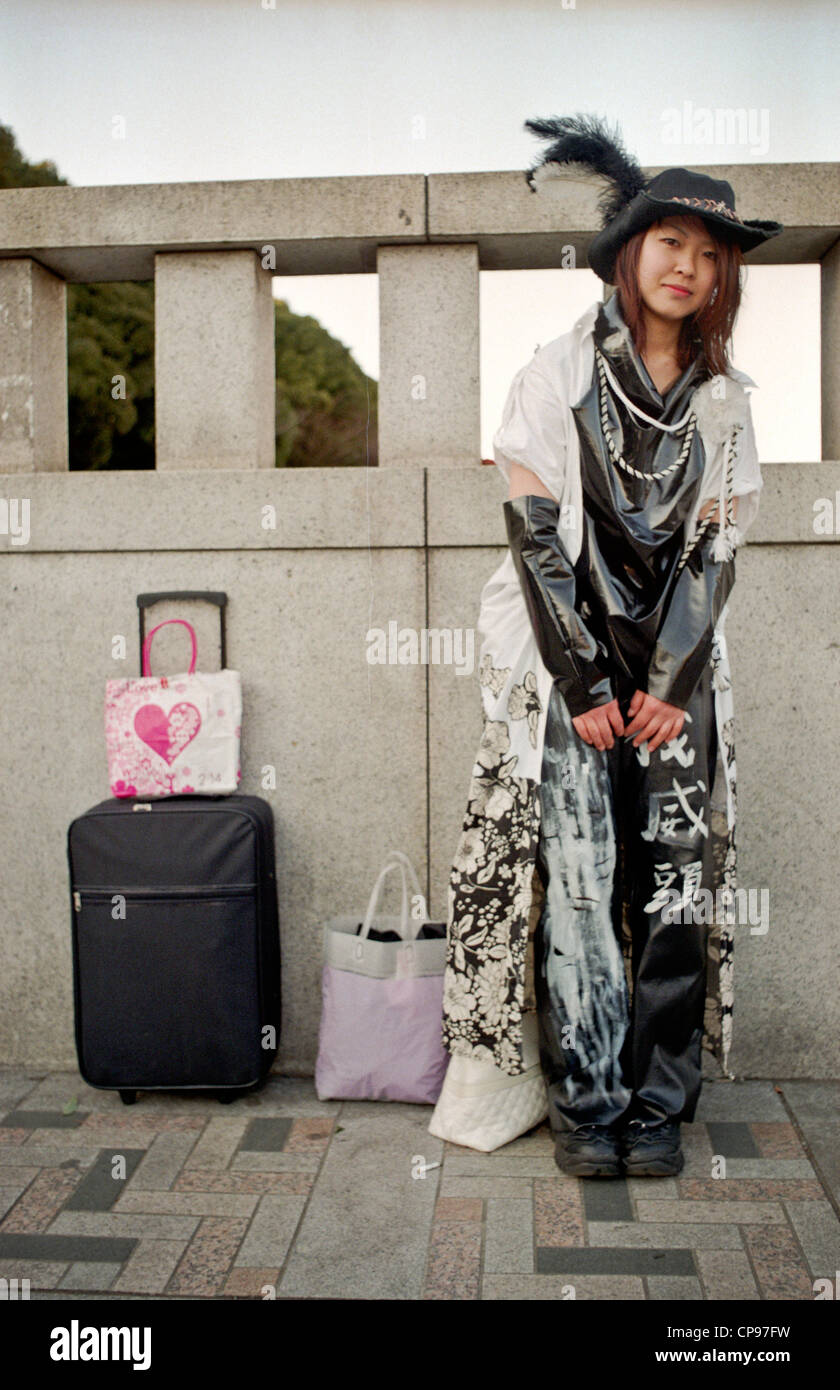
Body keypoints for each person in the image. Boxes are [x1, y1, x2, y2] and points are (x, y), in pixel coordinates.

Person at [434, 114, 782, 1178]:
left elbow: (715, 551)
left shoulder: (725, 403)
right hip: (568, 665)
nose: (691, 265)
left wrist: (673, 681)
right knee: (579, 884)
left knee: (674, 886)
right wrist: (585, 678)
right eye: (672, 241)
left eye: (712, 252)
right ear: (629, 249)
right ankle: (586, 1099)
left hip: (677, 677)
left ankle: (658, 1101)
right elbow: (536, 538)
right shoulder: (554, 376)